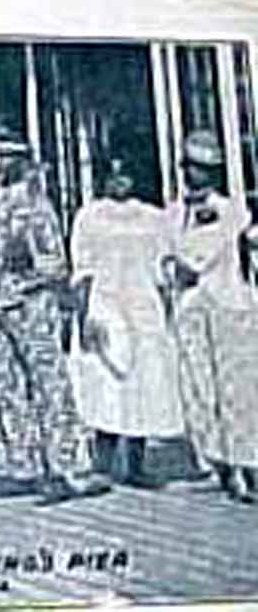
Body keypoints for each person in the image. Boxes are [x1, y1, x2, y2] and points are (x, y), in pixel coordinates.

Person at [0, 125, 110, 504]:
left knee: (49, 384)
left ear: (23, 160)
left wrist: (24, 270)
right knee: (2, 386)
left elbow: (56, 264)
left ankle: (66, 467)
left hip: (30, 304)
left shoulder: (36, 205)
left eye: (9, 154)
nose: (1, 161)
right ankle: (16, 464)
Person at [70, 158, 181, 489]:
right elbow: (82, 270)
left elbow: (164, 270)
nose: (119, 180)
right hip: (104, 306)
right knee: (106, 382)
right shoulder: (90, 215)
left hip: (143, 306)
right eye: (113, 172)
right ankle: (102, 465)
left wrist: (166, 312)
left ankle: (136, 464)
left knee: (142, 382)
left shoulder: (153, 217)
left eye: (126, 172)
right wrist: (83, 315)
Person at [160, 130, 258, 501]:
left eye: (202, 169)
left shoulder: (232, 210)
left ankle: (245, 464)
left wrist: (185, 257)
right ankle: (218, 462)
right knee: (198, 386)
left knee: (236, 388)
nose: (194, 175)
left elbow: (202, 256)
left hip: (228, 302)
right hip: (188, 305)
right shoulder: (172, 213)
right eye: (189, 167)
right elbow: (166, 257)